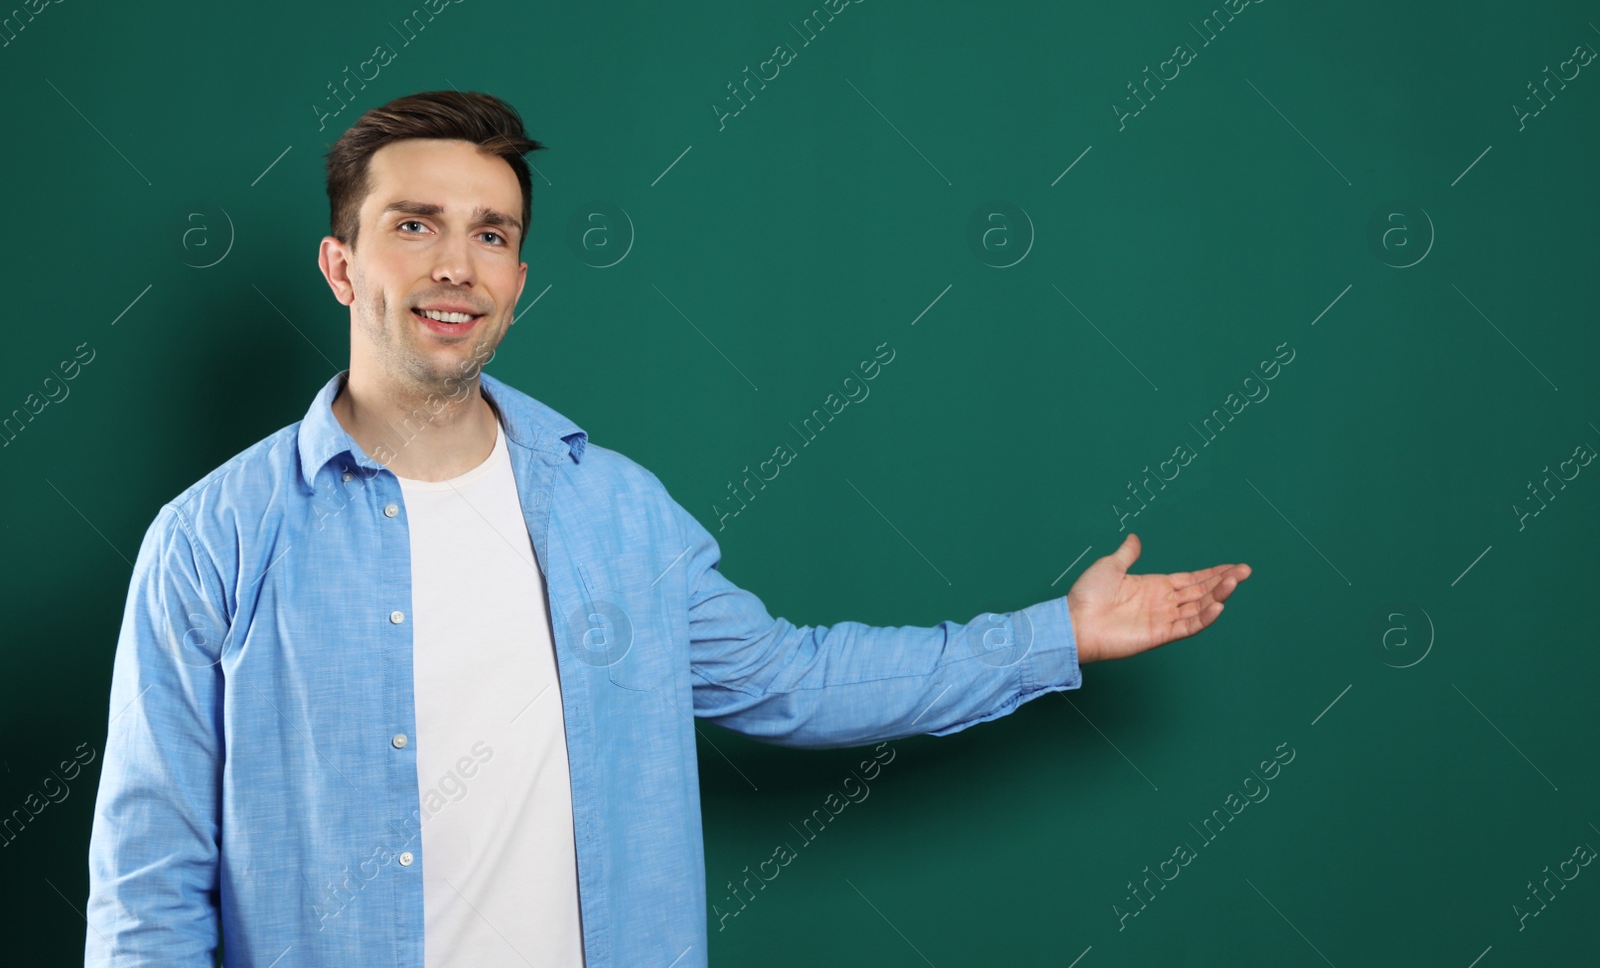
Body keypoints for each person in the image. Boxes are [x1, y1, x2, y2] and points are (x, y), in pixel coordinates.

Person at [84, 90, 1251, 967]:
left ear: (521, 277)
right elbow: (150, 880)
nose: (455, 262)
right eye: (415, 224)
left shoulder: (614, 511)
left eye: (491, 232)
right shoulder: (212, 541)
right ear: (342, 265)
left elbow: (794, 677)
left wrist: (1058, 633)